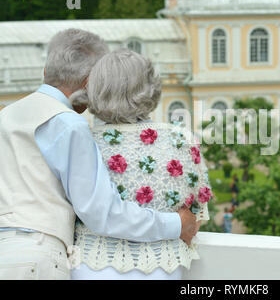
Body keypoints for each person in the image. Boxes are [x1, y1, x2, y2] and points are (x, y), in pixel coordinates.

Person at [0, 29, 198, 280]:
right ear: (88, 84)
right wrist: (176, 225)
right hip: (38, 256)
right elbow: (101, 212)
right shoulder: (69, 124)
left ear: (45, 73)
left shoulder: (6, 115)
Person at [70, 49, 211, 280]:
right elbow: (195, 218)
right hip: (163, 267)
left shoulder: (83, 140)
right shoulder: (183, 140)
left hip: (91, 265)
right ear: (151, 87)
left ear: (95, 89)